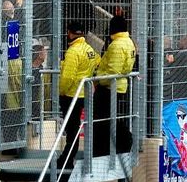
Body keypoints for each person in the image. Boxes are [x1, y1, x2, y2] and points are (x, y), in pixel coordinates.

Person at [56, 20, 99, 170]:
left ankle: (66, 160)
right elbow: (98, 64)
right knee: (76, 129)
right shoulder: (89, 49)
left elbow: (67, 77)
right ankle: (67, 159)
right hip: (85, 94)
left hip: (71, 95)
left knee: (72, 130)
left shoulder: (73, 52)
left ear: (69, 33)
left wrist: (61, 91)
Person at [92, 14, 136, 156]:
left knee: (102, 119)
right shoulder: (128, 42)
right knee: (107, 118)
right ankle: (105, 148)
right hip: (118, 86)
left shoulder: (117, 45)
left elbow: (113, 71)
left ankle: (122, 141)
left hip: (109, 87)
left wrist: (99, 79)